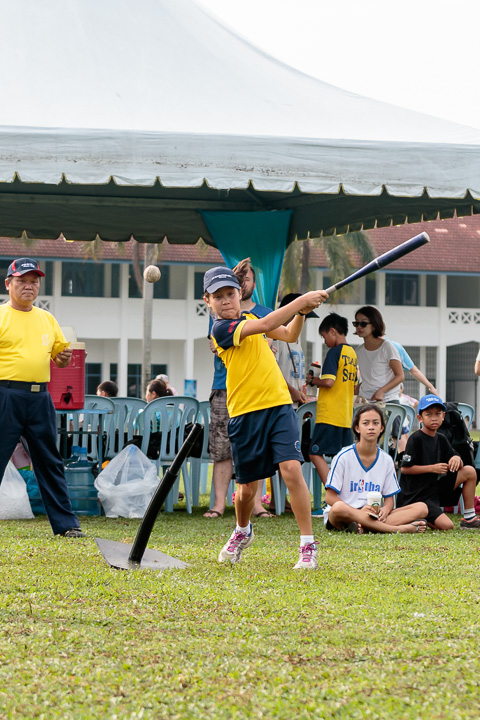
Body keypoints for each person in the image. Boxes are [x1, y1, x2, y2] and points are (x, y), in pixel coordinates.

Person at [204, 265, 328, 569]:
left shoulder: (250, 319)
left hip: (279, 406)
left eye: (230, 293)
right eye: (218, 296)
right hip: (244, 414)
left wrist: (301, 313)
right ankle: (242, 530)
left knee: (291, 469)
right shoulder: (221, 330)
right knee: (247, 490)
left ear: (239, 294)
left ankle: (307, 545)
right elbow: (269, 323)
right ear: (208, 301)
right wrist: (300, 301)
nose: (225, 300)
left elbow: (288, 334)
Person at [0, 258, 84, 537]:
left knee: (50, 461)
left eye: (34, 281)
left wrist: (63, 358)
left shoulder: (47, 319)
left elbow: (59, 359)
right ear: (8, 284)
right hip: (6, 395)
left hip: (39, 397)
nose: (29, 286)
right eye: (22, 281)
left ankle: (67, 525)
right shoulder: (1, 316)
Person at [205, 258, 274, 519]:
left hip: (257, 390)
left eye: (248, 279)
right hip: (224, 386)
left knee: (256, 448)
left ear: (253, 285)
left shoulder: (264, 312)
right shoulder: (218, 313)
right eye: (240, 278)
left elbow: (272, 340)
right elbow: (215, 344)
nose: (244, 283)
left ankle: (257, 505)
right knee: (222, 447)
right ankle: (218, 504)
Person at [324, 405, 428, 534]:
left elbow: (389, 499)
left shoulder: (386, 460)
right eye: (365, 423)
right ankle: (399, 529)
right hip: (347, 514)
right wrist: (357, 512)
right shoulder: (343, 457)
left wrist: (385, 510)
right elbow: (330, 497)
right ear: (357, 428)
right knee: (338, 508)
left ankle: (364, 527)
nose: (371, 427)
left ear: (382, 428)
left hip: (374, 515)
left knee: (422, 508)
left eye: (375, 423)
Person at [399, 394, 480, 530]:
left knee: (469, 471)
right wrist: (432, 468)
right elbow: (405, 469)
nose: (434, 418)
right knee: (447, 526)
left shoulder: (441, 438)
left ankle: (469, 518)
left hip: (434, 490)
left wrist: (457, 458)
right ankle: (419, 516)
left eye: (438, 414)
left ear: (443, 416)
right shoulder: (415, 438)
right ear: (420, 418)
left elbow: (454, 456)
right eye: (428, 414)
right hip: (416, 495)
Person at [308, 313, 358, 510]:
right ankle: (345, 500)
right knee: (341, 460)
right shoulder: (352, 354)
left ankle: (333, 498)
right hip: (345, 415)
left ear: (332, 331)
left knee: (314, 453)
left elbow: (328, 381)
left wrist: (313, 381)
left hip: (330, 414)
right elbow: (355, 387)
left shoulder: (334, 352)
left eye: (324, 336)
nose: (324, 341)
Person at [272, 293, 318, 409]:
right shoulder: (275, 339)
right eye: (302, 316)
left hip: (296, 403)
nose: (304, 321)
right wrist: (292, 392)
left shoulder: (296, 339)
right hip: (281, 403)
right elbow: (273, 371)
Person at [353, 306, 404, 403]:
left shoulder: (387, 347)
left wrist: (382, 391)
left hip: (388, 401)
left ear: (374, 325)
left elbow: (400, 376)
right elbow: (370, 379)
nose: (359, 327)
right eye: (356, 323)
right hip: (365, 402)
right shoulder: (359, 351)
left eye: (363, 323)